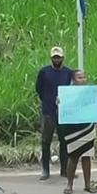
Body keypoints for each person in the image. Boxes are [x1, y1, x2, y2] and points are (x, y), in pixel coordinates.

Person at [36, 46, 74, 180]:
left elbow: (72, 89)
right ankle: (45, 170)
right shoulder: (44, 72)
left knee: (64, 141)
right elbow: (39, 89)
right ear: (51, 58)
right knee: (46, 141)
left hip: (64, 112)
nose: (56, 59)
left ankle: (64, 170)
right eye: (54, 57)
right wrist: (48, 101)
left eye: (59, 57)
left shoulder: (68, 72)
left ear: (63, 58)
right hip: (48, 111)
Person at [60, 69, 97, 194]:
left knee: (87, 156)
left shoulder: (91, 92)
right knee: (73, 157)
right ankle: (69, 184)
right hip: (73, 129)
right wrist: (59, 103)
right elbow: (62, 110)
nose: (82, 80)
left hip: (87, 127)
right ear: (73, 80)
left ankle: (87, 184)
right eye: (79, 77)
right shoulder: (67, 94)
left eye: (84, 77)